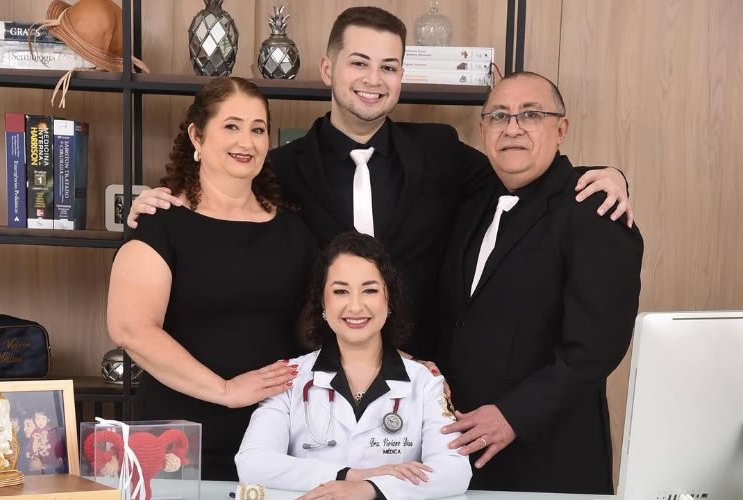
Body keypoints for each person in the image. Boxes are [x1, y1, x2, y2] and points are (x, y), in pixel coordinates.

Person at [126, 7, 632, 362]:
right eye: (359, 63)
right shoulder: (279, 166)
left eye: (388, 67)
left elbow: (521, 172)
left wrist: (605, 176)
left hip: (428, 382)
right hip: (314, 383)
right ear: (328, 68)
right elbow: (219, 202)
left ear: (401, 75)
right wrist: (162, 200)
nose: (374, 79)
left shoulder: (440, 150)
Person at [436, 71, 644, 494]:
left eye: (530, 115)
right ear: (483, 130)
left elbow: (595, 348)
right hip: (460, 450)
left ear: (561, 129)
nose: (512, 128)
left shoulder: (594, 210)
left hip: (550, 454)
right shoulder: (471, 203)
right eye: (499, 116)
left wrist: (513, 415)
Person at [107, 77, 318, 480]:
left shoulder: (295, 230)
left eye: (258, 129)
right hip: (177, 442)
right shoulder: (160, 223)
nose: (246, 141)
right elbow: (130, 328)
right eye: (231, 126)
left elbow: (320, 327)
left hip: (276, 439)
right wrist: (226, 390)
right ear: (196, 136)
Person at [235, 232, 471, 500]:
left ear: (389, 299)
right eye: (340, 291)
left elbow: (454, 472)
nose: (356, 306)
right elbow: (252, 463)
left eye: (370, 290)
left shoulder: (426, 382)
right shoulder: (289, 377)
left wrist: (371, 488)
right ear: (322, 302)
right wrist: (350, 475)